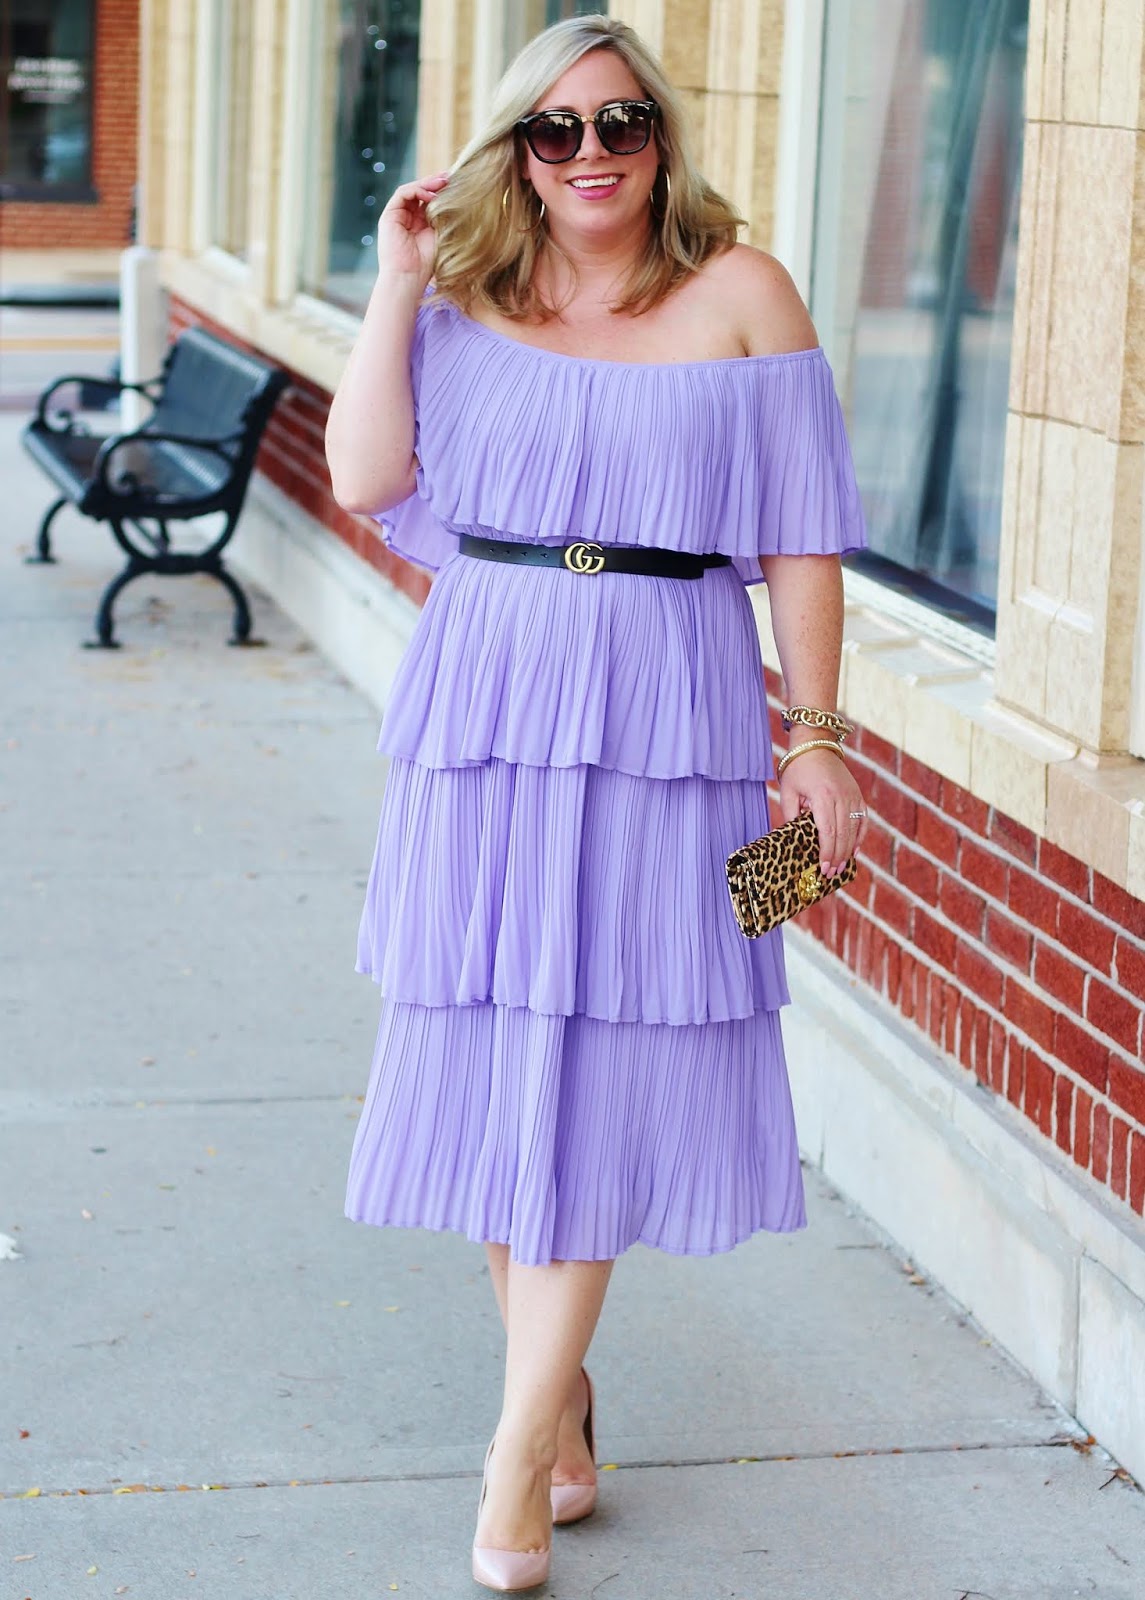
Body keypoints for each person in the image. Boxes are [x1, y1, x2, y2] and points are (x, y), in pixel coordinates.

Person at [325, 13, 868, 1593]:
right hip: (485, 697)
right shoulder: (467, 293)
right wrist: (392, 282)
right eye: (551, 130)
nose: (589, 154)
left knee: (612, 1047)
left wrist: (815, 737)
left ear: (661, 133)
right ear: (512, 148)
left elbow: (801, 538)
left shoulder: (743, 293)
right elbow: (367, 479)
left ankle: (511, 1462)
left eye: (617, 121)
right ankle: (550, 1404)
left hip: (674, 705)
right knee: (503, 1040)